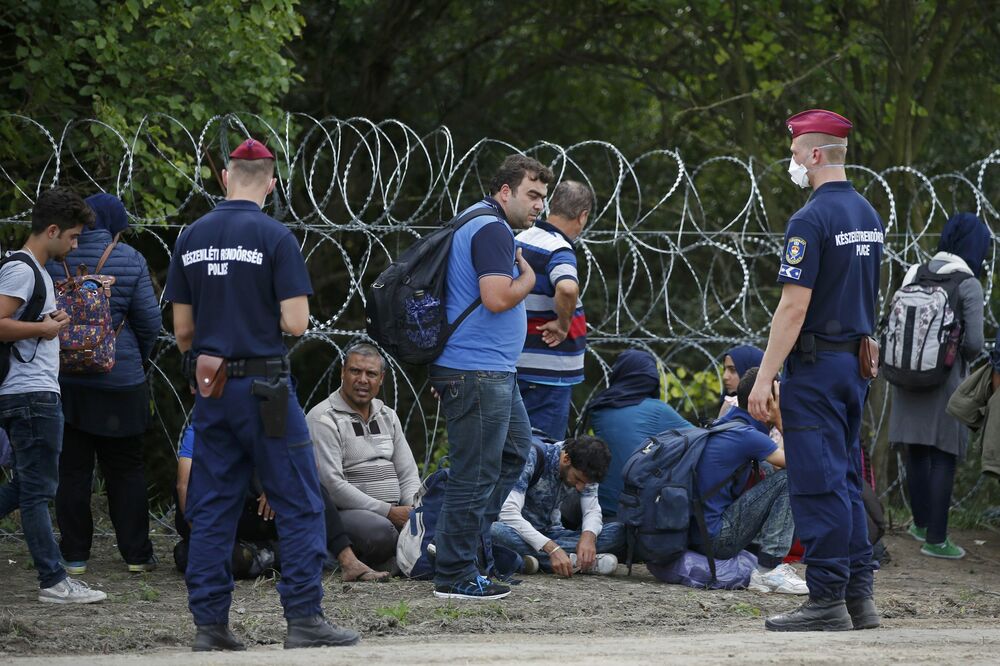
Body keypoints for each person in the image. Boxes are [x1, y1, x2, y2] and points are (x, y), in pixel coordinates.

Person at [164, 138, 359, 651]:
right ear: (271, 184)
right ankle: (304, 618)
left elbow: (183, 332)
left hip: (212, 389)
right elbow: (296, 323)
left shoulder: (191, 237)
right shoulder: (275, 237)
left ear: (224, 178)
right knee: (298, 500)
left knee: (212, 506)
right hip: (266, 389)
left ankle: (210, 626)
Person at [748, 110, 883, 632]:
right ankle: (858, 596)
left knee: (817, 485)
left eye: (796, 153)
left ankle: (826, 599)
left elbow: (793, 307)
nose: (793, 162)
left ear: (817, 154)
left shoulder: (810, 219)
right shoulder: (866, 213)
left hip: (816, 368)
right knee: (845, 479)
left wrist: (764, 377)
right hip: (853, 365)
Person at [429, 154, 553, 600]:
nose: (539, 205)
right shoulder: (491, 228)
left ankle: (467, 551)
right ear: (506, 191)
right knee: (475, 472)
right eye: (532, 195)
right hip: (476, 370)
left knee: (515, 452)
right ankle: (454, 573)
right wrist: (529, 276)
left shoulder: (483, 223)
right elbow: (497, 298)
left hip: (493, 369)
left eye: (543, 197)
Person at [43, 194, 161, 575]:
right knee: (126, 469)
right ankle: (137, 555)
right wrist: (136, 357)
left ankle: (74, 555)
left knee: (73, 470)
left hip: (67, 380)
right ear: (116, 226)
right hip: (120, 382)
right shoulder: (130, 259)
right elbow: (149, 322)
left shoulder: (56, 256)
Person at [0, 187, 107, 604]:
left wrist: (49, 322)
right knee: (37, 492)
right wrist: (44, 329)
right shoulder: (23, 270)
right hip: (30, 395)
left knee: (31, 485)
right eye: (73, 236)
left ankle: (54, 579)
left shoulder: (34, 271)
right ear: (52, 230)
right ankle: (53, 580)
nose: (75, 245)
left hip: (32, 392)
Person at [890, 212, 989, 560]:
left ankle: (920, 524)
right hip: (945, 379)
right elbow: (974, 343)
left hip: (904, 375)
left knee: (916, 449)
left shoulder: (914, 272)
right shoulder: (968, 284)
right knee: (944, 455)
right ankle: (936, 539)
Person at [173, 426, 386, 582]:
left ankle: (348, 561)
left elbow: (307, 466)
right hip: (208, 517)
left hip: (255, 511)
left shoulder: (270, 420)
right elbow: (184, 486)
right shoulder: (203, 429)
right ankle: (284, 554)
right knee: (223, 559)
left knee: (308, 487)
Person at [306, 342, 420, 573]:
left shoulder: (388, 416)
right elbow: (332, 486)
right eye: (355, 371)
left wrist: (413, 510)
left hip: (396, 511)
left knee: (434, 519)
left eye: (371, 374)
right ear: (342, 373)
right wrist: (389, 512)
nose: (363, 380)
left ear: (381, 378)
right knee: (381, 533)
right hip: (347, 514)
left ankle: (400, 557)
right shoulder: (323, 418)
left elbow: (408, 473)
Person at [700, 368, 805, 595]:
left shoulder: (726, 423)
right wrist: (780, 420)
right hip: (717, 539)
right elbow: (802, 462)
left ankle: (760, 555)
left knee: (766, 468)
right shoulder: (748, 436)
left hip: (698, 535)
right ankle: (769, 568)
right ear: (767, 402)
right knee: (791, 477)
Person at [515, 180, 594, 439]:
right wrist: (563, 324)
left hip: (517, 362)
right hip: (547, 373)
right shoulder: (559, 249)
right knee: (541, 450)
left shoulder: (521, 239)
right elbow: (568, 288)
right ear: (582, 216)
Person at [491, 435, 624, 576]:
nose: (580, 488)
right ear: (566, 459)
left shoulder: (587, 469)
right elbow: (508, 514)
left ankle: (532, 560)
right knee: (495, 531)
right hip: (519, 532)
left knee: (619, 532)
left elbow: (591, 510)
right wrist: (552, 549)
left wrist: (588, 537)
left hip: (553, 532)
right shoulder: (531, 457)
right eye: (577, 479)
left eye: (585, 483)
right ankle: (576, 562)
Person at [586, 349, 693, 518]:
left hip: (599, 508)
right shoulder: (657, 410)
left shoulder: (599, 408)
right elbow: (701, 439)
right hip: (637, 510)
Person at [720, 345, 783, 448]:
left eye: (733, 370)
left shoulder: (730, 405)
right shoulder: (731, 403)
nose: (725, 376)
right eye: (725, 369)